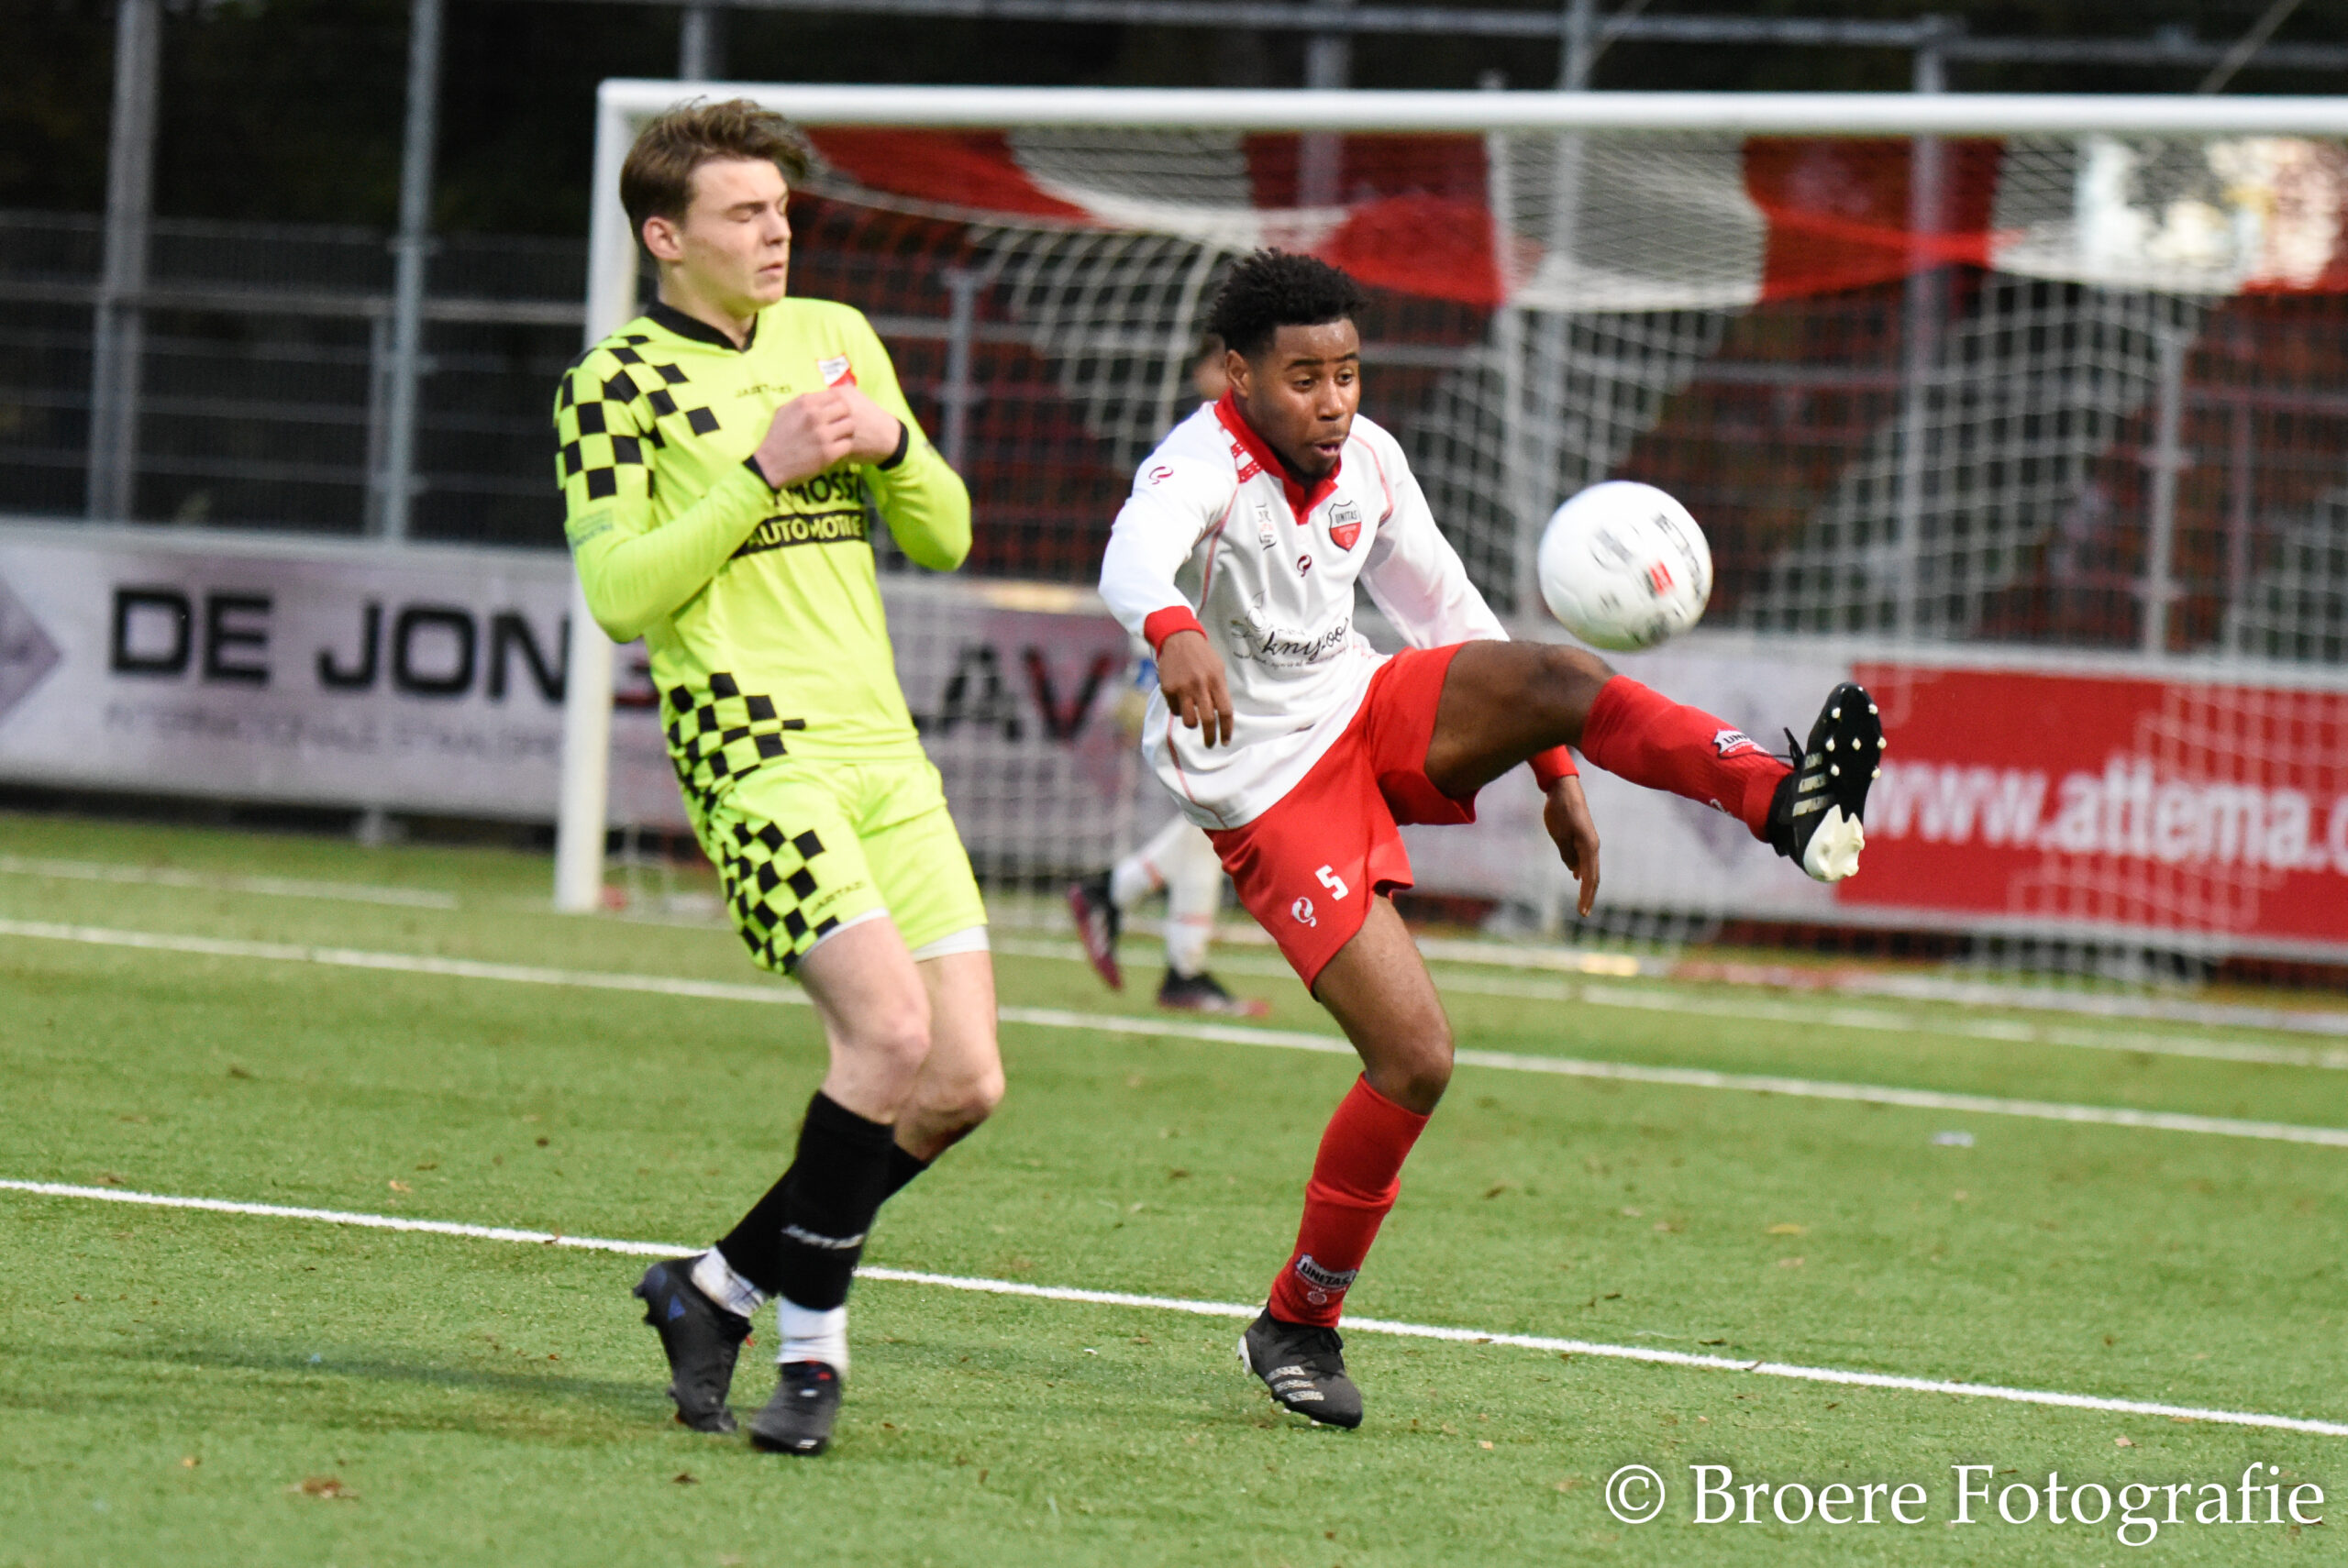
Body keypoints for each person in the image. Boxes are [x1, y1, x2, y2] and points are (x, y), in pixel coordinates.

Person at [1096, 250, 1879, 1429]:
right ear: (1239, 377)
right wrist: (1172, 628)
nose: (1332, 400)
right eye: (1303, 378)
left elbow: (1445, 611)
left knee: (1558, 674)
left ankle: (1785, 805)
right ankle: (1297, 1321)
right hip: (1265, 788)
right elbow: (1131, 553)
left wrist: (1553, 768)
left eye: (1347, 373)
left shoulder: (1370, 460)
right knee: (1415, 1057)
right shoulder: (1196, 464)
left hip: (1361, 707)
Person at [554, 99, 1002, 1457]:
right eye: (744, 213)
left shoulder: (835, 336)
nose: (776, 232)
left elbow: (948, 534)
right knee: (887, 1038)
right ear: (665, 237)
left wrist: (893, 448)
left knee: (963, 1081)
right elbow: (619, 596)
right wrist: (763, 469)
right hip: (753, 755)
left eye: (782, 210)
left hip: (885, 754)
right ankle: (811, 1355)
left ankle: (714, 1289)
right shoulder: (611, 385)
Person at [1069, 335, 1270, 1019]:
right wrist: (1142, 671)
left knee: (1219, 816)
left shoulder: (1254, 455)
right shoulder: (1192, 457)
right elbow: (1149, 568)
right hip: (1182, 663)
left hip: (1226, 666)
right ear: (1212, 370)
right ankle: (1136, 915)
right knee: (1227, 810)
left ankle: (1170, 952)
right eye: (1226, 362)